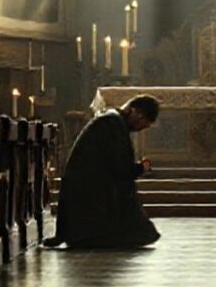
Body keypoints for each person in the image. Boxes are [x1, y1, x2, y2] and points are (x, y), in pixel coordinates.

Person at [42, 95, 161, 249]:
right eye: (142, 124)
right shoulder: (113, 123)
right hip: (88, 192)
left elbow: (116, 164)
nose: (140, 129)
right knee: (136, 224)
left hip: (88, 187)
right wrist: (141, 168)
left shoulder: (112, 120)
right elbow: (120, 169)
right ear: (136, 112)